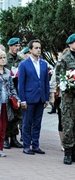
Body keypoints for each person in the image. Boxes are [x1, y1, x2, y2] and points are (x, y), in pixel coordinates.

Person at [18, 39, 49, 155]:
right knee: (27, 122)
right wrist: (23, 100)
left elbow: (46, 82)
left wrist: (46, 98)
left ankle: (35, 145)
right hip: (29, 98)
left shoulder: (44, 64)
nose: (38, 50)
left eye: (40, 48)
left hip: (40, 98)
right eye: (36, 48)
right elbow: (21, 84)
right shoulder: (24, 64)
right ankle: (26, 146)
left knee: (37, 123)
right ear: (30, 50)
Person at [55, 34, 75, 164]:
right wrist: (67, 84)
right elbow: (58, 76)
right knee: (68, 125)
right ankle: (68, 152)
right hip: (69, 97)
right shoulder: (65, 59)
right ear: (70, 44)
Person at [4, 37, 23, 149]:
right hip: (8, 90)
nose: (17, 47)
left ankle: (14, 138)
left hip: (18, 90)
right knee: (8, 115)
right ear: (10, 46)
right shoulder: (5, 58)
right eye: (15, 46)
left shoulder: (21, 60)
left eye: (18, 46)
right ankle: (5, 138)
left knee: (17, 115)